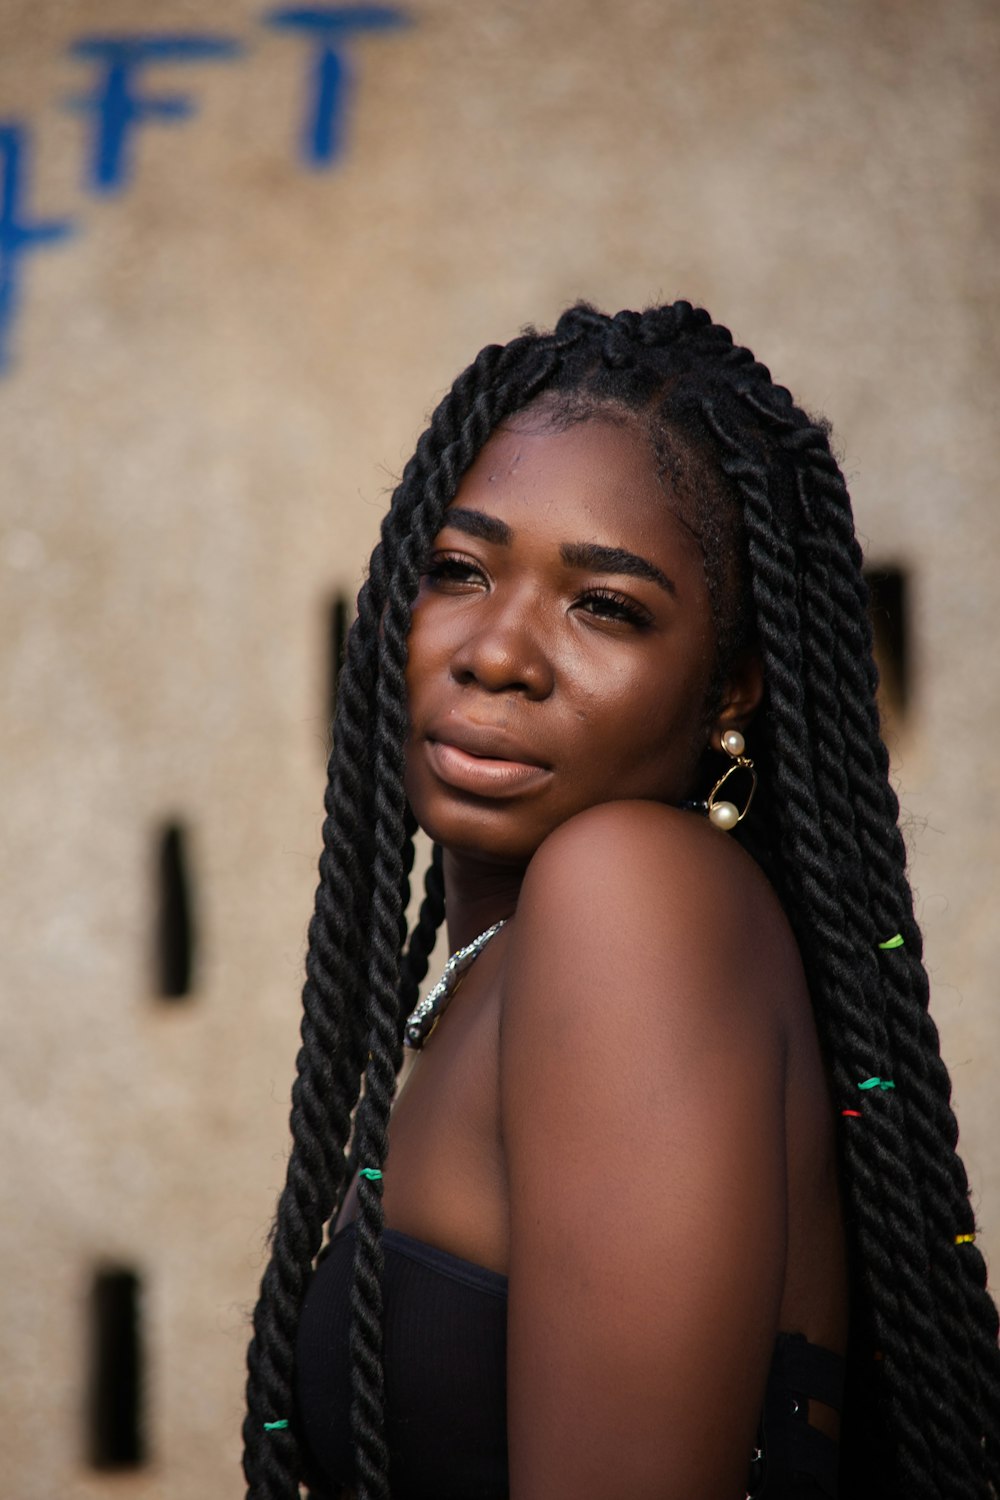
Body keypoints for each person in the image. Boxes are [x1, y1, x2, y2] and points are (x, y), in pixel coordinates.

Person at [242, 302, 1000, 1500]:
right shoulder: (505, 961)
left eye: (605, 606)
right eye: (457, 569)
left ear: (730, 689)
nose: (498, 652)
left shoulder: (631, 896)